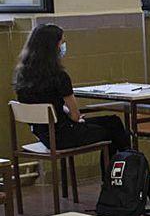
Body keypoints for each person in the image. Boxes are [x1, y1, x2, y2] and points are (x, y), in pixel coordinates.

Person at [13, 24, 131, 167]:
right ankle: (124, 173)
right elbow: (75, 116)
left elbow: (46, 107)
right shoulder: (59, 76)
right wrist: (74, 117)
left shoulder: (22, 76)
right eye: (62, 42)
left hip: (44, 135)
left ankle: (116, 176)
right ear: (53, 46)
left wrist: (67, 114)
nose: (63, 46)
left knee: (111, 121)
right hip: (65, 136)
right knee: (113, 127)